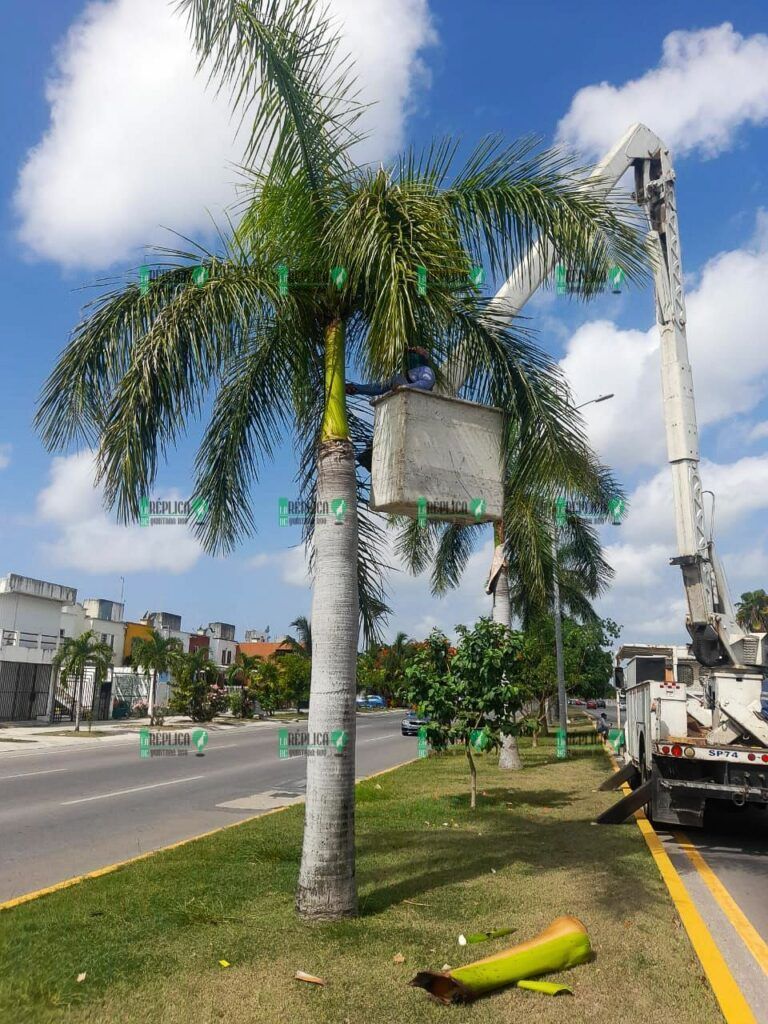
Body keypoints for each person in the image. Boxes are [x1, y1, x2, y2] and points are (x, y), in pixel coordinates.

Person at [346, 347, 435, 470]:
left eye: (414, 352)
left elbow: (426, 383)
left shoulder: (425, 370)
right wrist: (358, 388)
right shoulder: (399, 377)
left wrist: (405, 386)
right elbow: (378, 388)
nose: (410, 355)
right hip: (399, 412)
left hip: (418, 410)